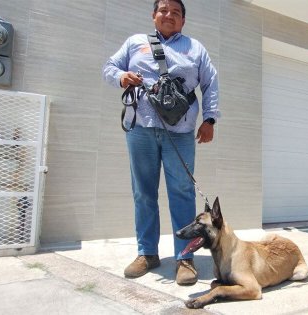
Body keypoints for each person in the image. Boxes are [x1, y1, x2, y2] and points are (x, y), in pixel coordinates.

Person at [102, 0, 219, 285]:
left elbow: (210, 82)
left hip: (180, 132)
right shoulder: (135, 43)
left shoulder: (195, 48)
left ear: (183, 20)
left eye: (176, 12)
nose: (170, 15)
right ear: (154, 15)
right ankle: (147, 253)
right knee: (143, 193)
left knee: (182, 194)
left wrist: (210, 118)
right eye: (164, 10)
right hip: (140, 128)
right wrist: (121, 77)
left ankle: (185, 258)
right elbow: (109, 68)